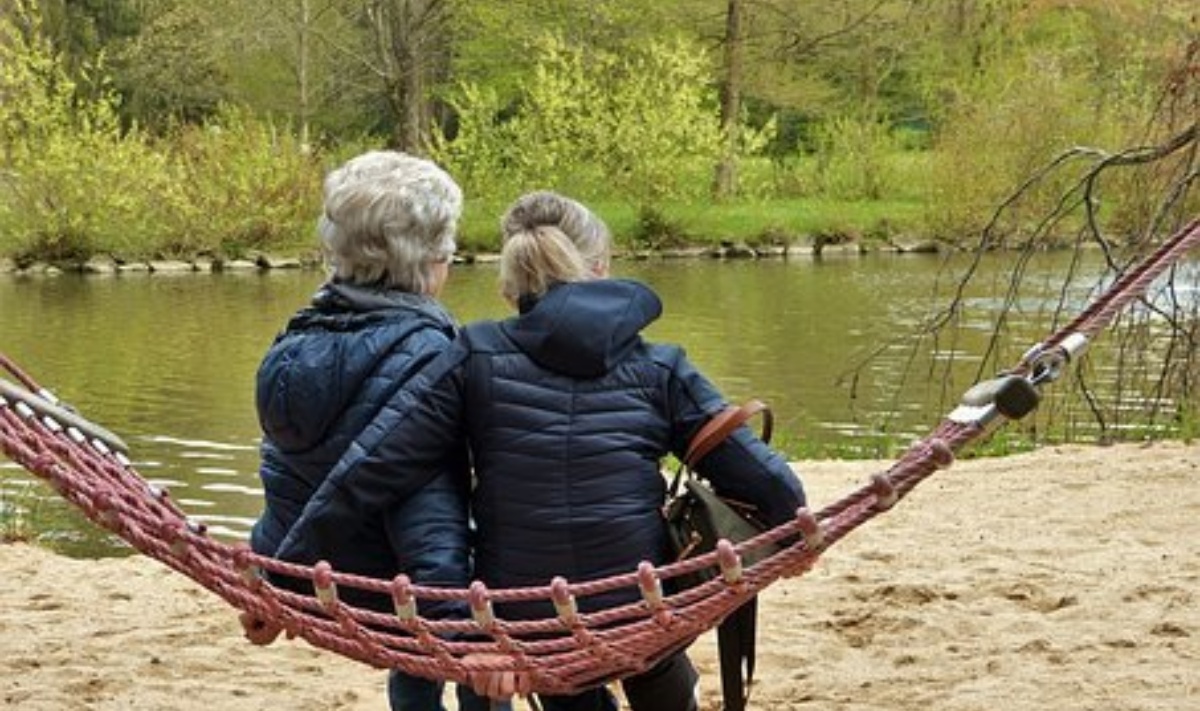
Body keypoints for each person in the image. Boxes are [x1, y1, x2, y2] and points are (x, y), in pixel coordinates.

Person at [275, 191, 807, 711]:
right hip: (641, 612)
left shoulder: (471, 354)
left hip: (528, 624)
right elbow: (767, 483)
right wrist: (795, 533)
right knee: (651, 642)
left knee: (556, 660)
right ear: (600, 269)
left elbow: (372, 468)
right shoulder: (661, 366)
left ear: (511, 287)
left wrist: (283, 577)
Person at [244, 149, 494, 711]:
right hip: (403, 590)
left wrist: (271, 578)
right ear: (427, 261)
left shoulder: (290, 346)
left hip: (320, 579)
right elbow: (429, 514)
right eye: (448, 252)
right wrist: (463, 634)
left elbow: (286, 478)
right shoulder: (434, 355)